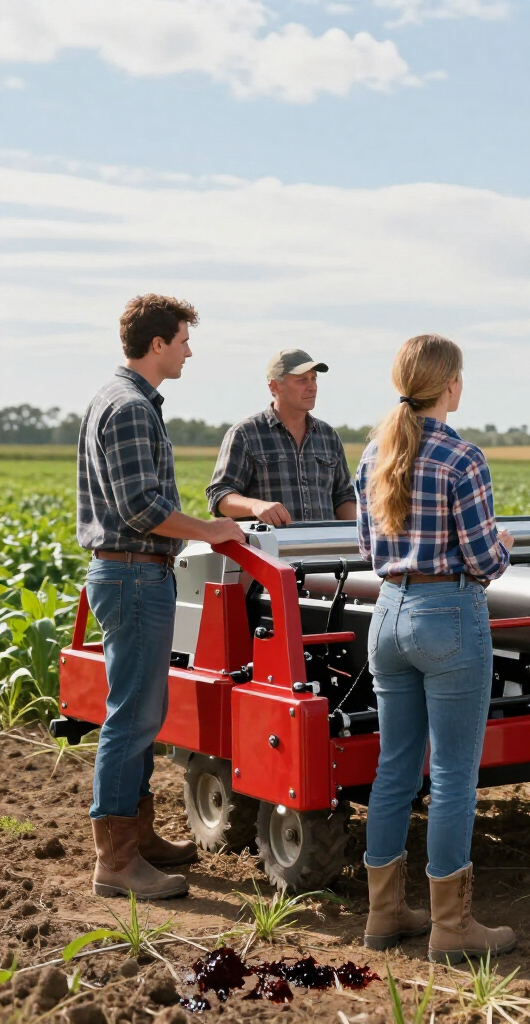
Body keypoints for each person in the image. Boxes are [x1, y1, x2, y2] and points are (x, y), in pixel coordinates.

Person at [78, 294, 246, 899]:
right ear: (157, 346)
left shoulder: (123, 400)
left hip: (134, 573)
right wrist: (210, 530)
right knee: (132, 717)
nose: (188, 350)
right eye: (182, 340)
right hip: (131, 573)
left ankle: (139, 839)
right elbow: (140, 508)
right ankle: (117, 864)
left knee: (143, 713)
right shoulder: (128, 408)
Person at [356, 334, 516, 963]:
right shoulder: (462, 457)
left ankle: (384, 913)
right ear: (450, 384)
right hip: (448, 615)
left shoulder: (375, 451)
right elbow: (482, 559)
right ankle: (451, 928)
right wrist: (502, 544)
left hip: (388, 613)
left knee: (394, 768)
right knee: (452, 775)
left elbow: (369, 552)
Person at [206, 349, 357, 525]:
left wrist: (362, 531)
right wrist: (256, 506)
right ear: (274, 387)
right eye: (301, 380)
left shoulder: (328, 436)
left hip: (322, 548)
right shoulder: (245, 434)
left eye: (314, 379)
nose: (312, 386)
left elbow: (343, 496)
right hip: (266, 549)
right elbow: (219, 496)